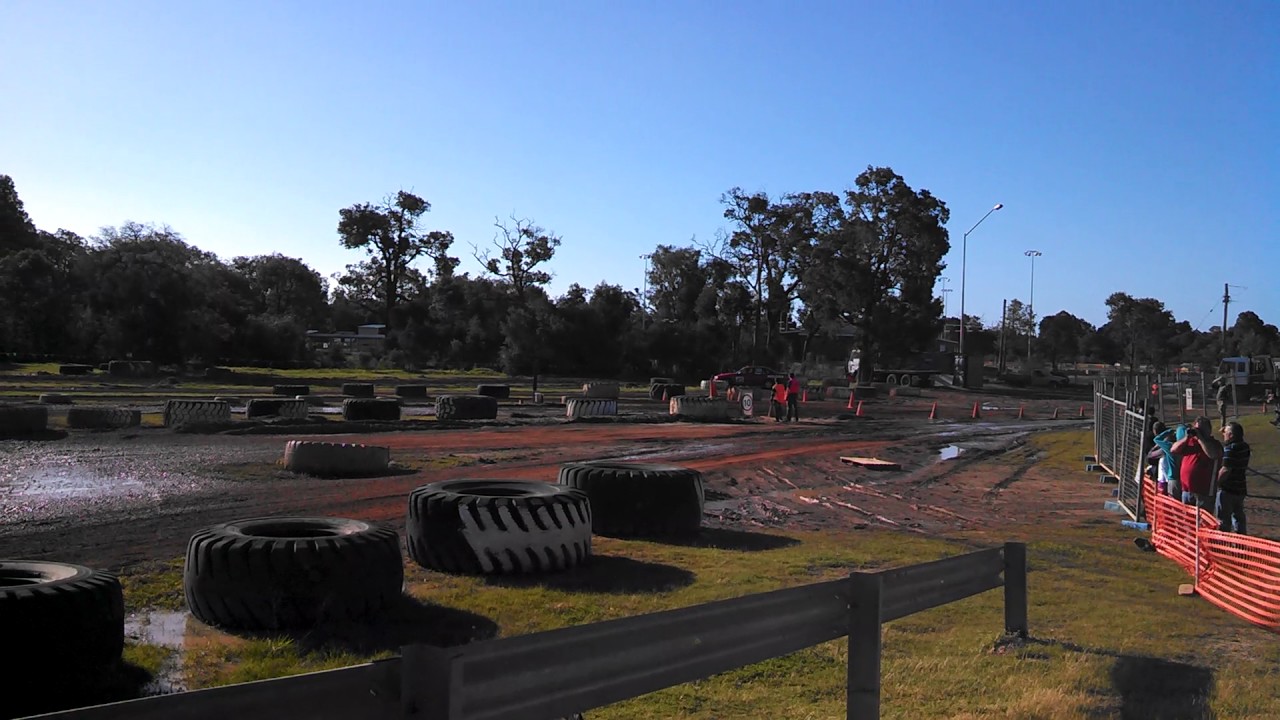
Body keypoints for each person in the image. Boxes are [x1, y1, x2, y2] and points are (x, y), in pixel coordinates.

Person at [1170, 415, 1223, 510]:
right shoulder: (1189, 441)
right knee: (1187, 522)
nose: (1199, 432)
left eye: (1202, 429)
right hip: (1186, 491)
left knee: (1202, 522)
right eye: (1197, 429)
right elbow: (1173, 449)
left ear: (1209, 430)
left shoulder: (1214, 444)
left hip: (1204, 493)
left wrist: (1200, 438)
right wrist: (1186, 438)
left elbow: (1213, 455)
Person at [1216, 421, 1251, 534]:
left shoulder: (1230, 449)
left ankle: (1223, 541)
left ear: (1231, 435)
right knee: (1238, 515)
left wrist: (1217, 482)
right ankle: (1241, 540)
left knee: (1223, 518)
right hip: (1240, 487)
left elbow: (1226, 469)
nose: (1224, 435)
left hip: (1228, 488)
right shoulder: (1244, 447)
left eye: (1225, 433)